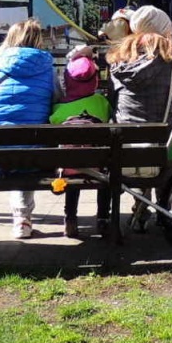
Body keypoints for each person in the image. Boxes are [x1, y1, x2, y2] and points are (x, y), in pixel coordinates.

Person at [107, 6, 172, 234]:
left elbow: (112, 99)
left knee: (137, 137)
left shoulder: (118, 58)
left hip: (122, 148)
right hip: (161, 147)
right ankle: (163, 208)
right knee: (171, 141)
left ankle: (140, 207)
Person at [0, 19, 55, 239]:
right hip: (35, 155)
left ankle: (21, 218)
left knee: (12, 141)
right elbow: (56, 104)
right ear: (39, 40)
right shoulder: (48, 71)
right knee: (30, 142)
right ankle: (22, 218)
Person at [49, 49, 112, 238]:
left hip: (69, 168)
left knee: (72, 164)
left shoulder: (59, 109)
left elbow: (51, 123)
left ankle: (70, 219)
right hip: (98, 167)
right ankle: (103, 218)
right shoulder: (101, 102)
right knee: (104, 172)